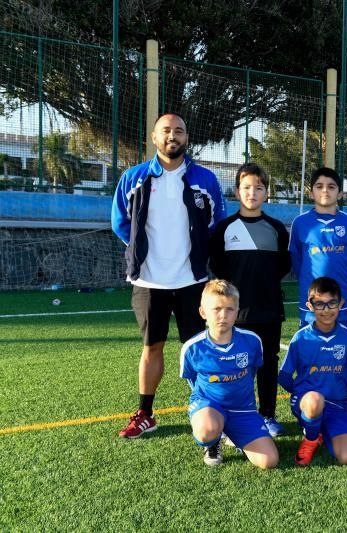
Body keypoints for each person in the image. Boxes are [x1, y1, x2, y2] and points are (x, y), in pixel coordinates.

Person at [111, 112, 226, 438]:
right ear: (154, 137)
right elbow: (121, 222)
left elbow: (217, 222)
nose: (172, 135)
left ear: (186, 138)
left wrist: (200, 254)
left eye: (178, 131)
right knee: (152, 347)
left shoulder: (206, 179)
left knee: (200, 347)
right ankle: (145, 413)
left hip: (193, 281)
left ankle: (208, 409)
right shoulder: (133, 178)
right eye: (166, 130)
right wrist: (141, 252)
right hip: (149, 283)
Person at [208, 162, 290, 438]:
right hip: (235, 313)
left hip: (268, 308)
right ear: (237, 191)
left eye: (258, 187)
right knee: (235, 365)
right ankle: (235, 418)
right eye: (246, 187)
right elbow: (218, 267)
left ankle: (267, 415)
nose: (252, 193)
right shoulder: (224, 228)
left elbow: (282, 266)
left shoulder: (277, 229)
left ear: (266, 192)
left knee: (268, 362)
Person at [179, 280, 278, 468]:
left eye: (229, 309)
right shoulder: (192, 348)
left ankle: (236, 434)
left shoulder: (252, 341)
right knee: (207, 429)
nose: (223, 316)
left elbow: (252, 372)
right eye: (216, 309)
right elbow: (192, 379)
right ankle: (213, 440)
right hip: (209, 405)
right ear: (203, 312)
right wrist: (207, 405)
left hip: (243, 409)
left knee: (269, 462)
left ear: (237, 310)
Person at [278, 277, 347, 466]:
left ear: (341, 304)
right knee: (315, 400)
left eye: (332, 303)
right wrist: (301, 394)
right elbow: (283, 376)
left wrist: (340, 384)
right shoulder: (301, 338)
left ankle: (322, 430)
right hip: (308, 401)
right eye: (319, 304)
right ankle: (311, 437)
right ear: (309, 305)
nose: (326, 310)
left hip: (337, 404)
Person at [289, 167, 347, 328]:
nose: (325, 190)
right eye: (319, 186)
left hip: (342, 298)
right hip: (312, 299)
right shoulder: (300, 223)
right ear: (311, 192)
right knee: (310, 346)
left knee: (341, 346)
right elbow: (297, 260)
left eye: (331, 186)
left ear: (340, 193)